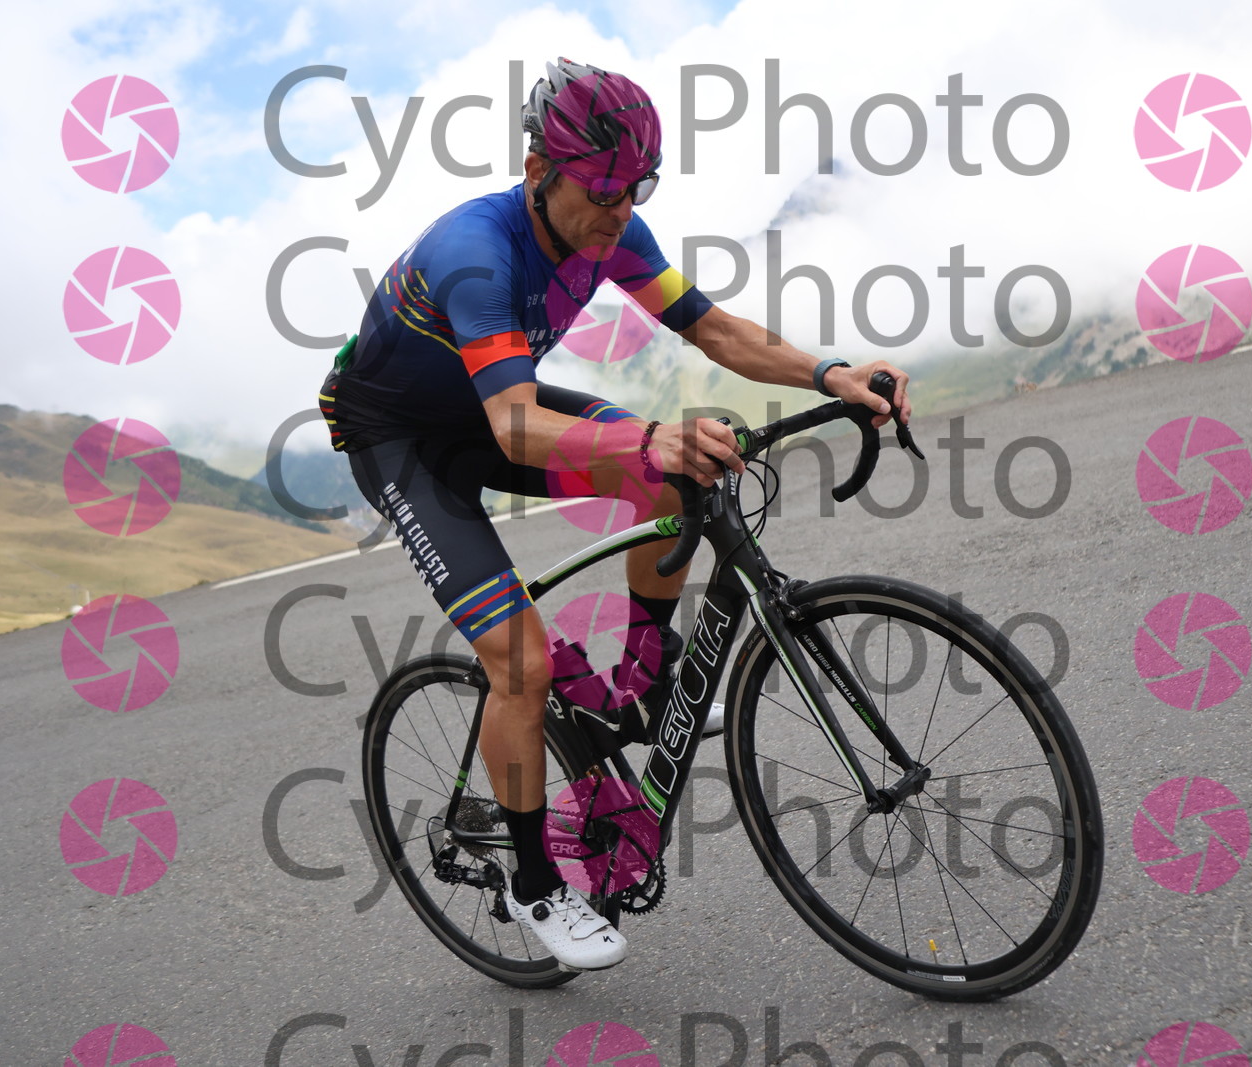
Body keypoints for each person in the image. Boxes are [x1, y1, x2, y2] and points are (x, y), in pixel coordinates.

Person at [319, 58, 912, 972]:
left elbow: (713, 329)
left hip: (495, 407)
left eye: (639, 188)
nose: (620, 209)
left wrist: (832, 374)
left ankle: (643, 680)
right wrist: (649, 438)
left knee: (673, 478)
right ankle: (533, 882)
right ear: (537, 173)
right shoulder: (475, 253)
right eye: (602, 191)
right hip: (406, 442)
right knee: (520, 661)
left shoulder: (613, 230)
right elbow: (515, 425)